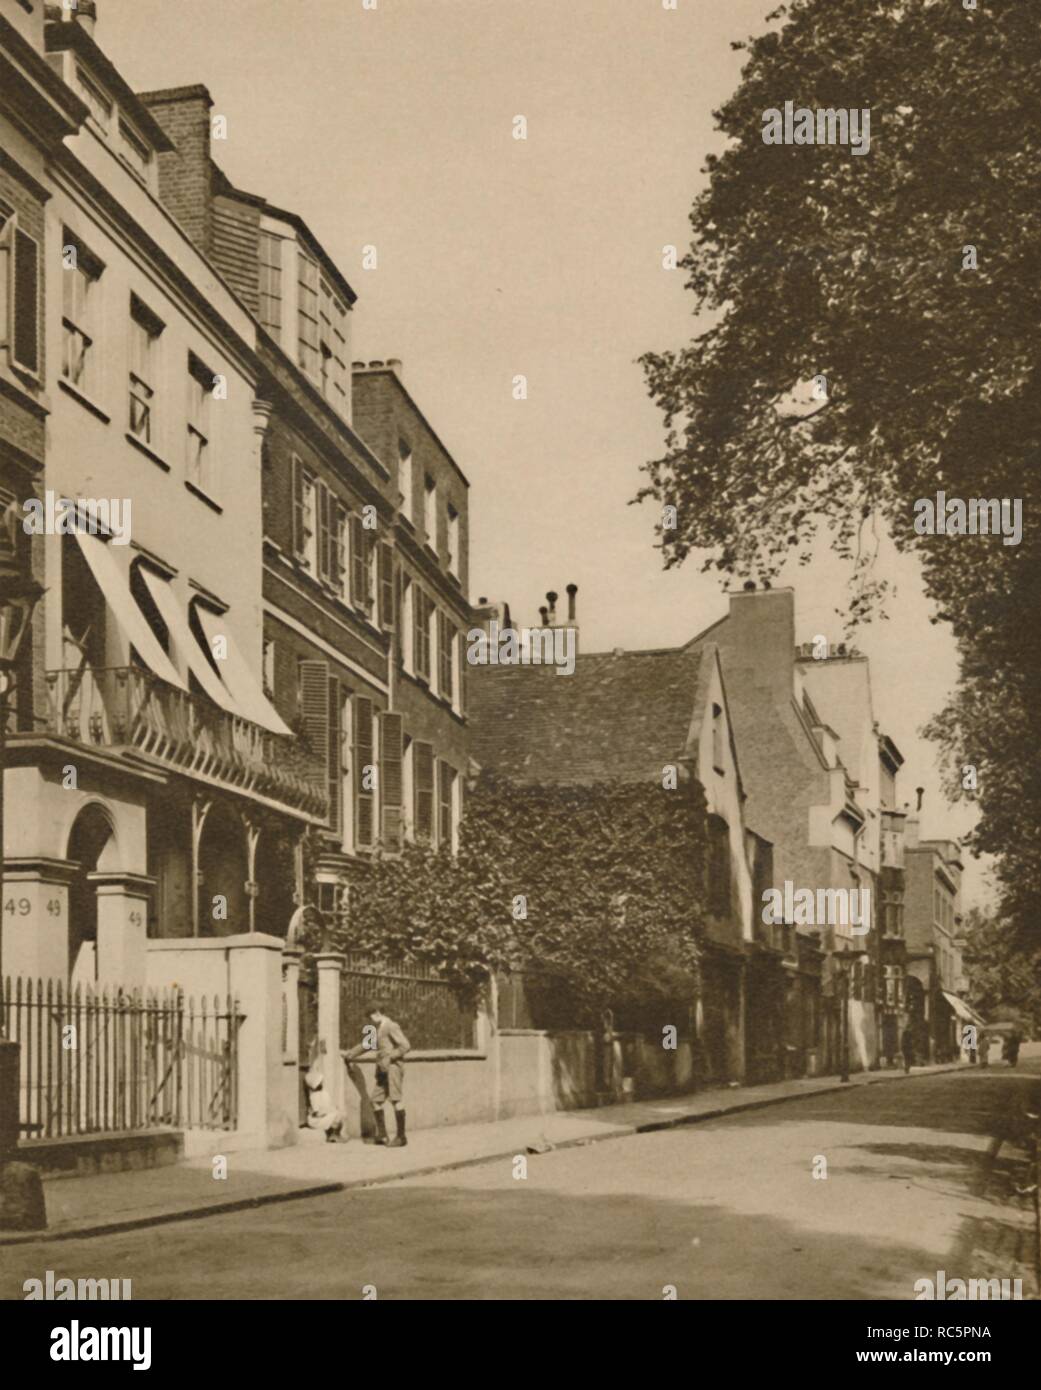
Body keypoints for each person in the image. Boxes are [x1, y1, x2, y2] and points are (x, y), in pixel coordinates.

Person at [345, 1001, 411, 1147]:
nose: (369, 1020)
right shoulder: (378, 1028)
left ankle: (401, 1137)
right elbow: (367, 1044)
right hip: (382, 1071)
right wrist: (349, 1055)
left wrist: (390, 1057)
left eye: (370, 1017)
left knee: (396, 1100)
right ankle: (382, 1135)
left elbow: (405, 1045)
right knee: (375, 1101)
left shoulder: (391, 1026)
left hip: (393, 1068)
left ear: (377, 1013)